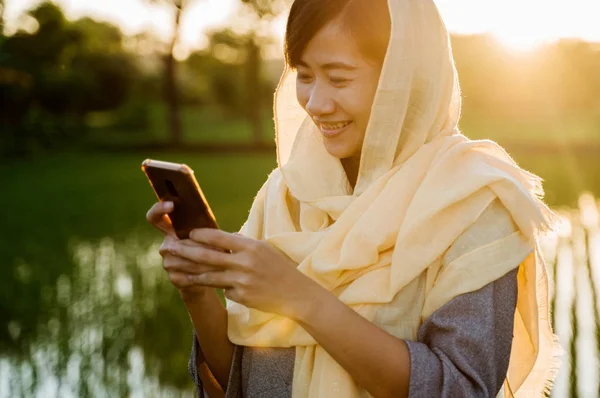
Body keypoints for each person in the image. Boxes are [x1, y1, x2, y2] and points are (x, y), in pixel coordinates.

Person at [146, 0, 562, 396]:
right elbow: (245, 381)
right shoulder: (287, 194)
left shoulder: (470, 203)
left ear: (404, 76)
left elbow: (461, 388)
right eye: (304, 75)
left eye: (339, 78)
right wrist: (197, 291)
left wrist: (300, 297)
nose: (316, 103)